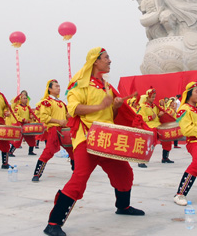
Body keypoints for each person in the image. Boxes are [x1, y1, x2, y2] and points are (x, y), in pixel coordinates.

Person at [43, 47, 144, 236]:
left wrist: (114, 107)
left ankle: (123, 206)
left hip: (107, 138)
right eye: (106, 58)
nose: (110, 61)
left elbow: (109, 116)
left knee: (124, 174)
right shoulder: (79, 83)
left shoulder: (105, 86)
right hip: (87, 138)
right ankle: (53, 223)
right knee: (79, 178)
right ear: (95, 61)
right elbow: (74, 109)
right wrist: (100, 105)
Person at [32, 80, 74, 182]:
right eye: (56, 86)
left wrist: (68, 116)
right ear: (50, 89)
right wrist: (59, 121)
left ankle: (76, 170)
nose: (59, 88)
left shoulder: (62, 103)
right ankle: (37, 174)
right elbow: (44, 117)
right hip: (54, 130)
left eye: (59, 86)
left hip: (63, 131)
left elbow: (66, 117)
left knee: (72, 150)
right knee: (48, 151)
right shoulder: (47, 102)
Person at [138, 88, 174, 164]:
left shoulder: (155, 106)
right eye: (152, 97)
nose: (154, 99)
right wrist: (150, 117)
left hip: (158, 126)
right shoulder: (142, 106)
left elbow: (157, 117)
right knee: (148, 142)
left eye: (154, 97)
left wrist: (159, 115)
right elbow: (140, 118)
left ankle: (165, 157)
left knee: (167, 137)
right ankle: (142, 160)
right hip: (148, 126)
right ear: (147, 97)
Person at [9, 91, 38, 157]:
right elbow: (16, 116)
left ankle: (31, 151)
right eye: (24, 98)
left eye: (26, 98)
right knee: (18, 140)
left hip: (27, 125)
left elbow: (31, 114)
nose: (26, 99)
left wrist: (31, 117)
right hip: (20, 125)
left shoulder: (28, 107)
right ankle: (10, 152)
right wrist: (23, 119)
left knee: (31, 138)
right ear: (21, 100)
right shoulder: (18, 107)